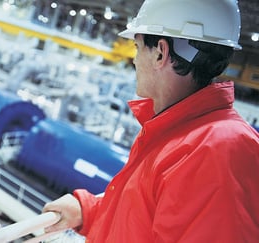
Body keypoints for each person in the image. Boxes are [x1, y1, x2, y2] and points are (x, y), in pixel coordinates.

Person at [42, 0, 259, 242]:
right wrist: (88, 210)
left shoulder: (217, 150)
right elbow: (144, 220)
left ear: (160, 52)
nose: (134, 60)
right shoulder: (180, 134)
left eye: (137, 47)